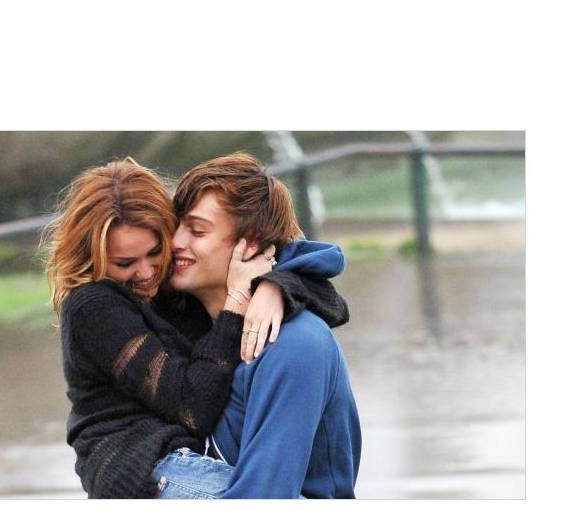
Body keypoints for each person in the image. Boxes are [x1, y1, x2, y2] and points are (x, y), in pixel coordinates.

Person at [42, 157, 348, 499]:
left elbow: (324, 275)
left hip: (190, 462)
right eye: (125, 263)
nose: (147, 273)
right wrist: (238, 299)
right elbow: (193, 408)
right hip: (141, 469)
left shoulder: (179, 291)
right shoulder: (99, 305)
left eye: (157, 250)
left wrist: (275, 285)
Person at [149, 152, 361, 499]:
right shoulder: (192, 328)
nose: (175, 243)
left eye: (197, 231)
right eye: (175, 227)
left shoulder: (294, 345)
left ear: (251, 245)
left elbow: (265, 496)